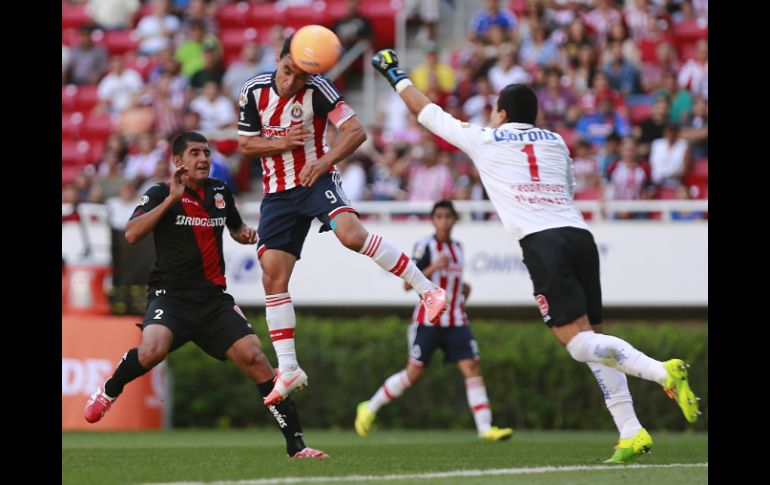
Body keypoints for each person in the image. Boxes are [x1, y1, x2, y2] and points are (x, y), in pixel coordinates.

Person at [370, 49, 701, 464]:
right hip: (579, 235)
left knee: (579, 345)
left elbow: (427, 112)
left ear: (502, 113)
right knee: (596, 339)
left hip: (543, 243)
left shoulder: (486, 138)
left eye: (493, 110)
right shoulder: (556, 141)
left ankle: (661, 371)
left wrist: (394, 73)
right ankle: (631, 431)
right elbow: (565, 187)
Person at [83, 132, 329, 459]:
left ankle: (296, 447)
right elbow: (131, 234)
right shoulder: (159, 192)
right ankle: (109, 389)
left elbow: (236, 228)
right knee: (152, 350)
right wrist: (172, 198)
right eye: (195, 153)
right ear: (177, 161)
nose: (203, 159)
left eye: (207, 153)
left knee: (257, 360)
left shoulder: (220, 192)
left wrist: (246, 235)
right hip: (171, 297)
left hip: (213, 302)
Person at [237, 37, 448, 407]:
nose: (291, 82)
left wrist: (324, 160)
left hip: (316, 178)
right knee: (271, 273)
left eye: (300, 77)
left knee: (350, 235)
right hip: (278, 193)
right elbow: (246, 145)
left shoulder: (318, 89)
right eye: (287, 71)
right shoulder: (253, 91)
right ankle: (288, 368)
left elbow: (355, 132)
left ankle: (428, 288)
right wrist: (285, 142)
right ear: (278, 60)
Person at [355, 200, 513, 442]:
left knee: (472, 368)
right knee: (413, 374)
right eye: (439, 216)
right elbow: (408, 285)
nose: (444, 221)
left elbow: (454, 282)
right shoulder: (425, 247)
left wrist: (463, 289)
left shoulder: (459, 247)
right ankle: (369, 407)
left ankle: (486, 429)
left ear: (454, 220)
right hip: (429, 321)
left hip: (457, 319)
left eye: (448, 217)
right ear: (433, 220)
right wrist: (434, 266)